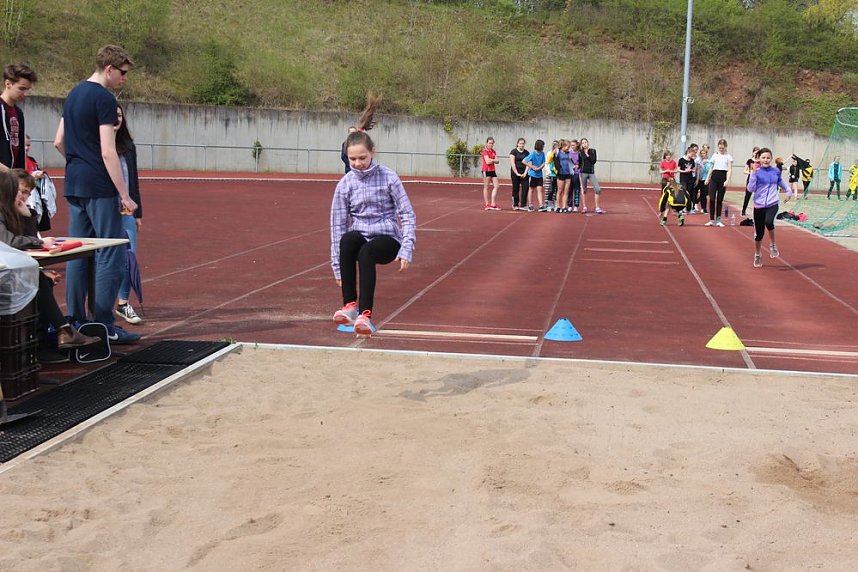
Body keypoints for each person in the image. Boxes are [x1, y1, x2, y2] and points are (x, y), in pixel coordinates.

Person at [53, 45, 140, 344]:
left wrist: (78, 162)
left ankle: (75, 320)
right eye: (123, 73)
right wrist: (125, 195)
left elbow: (58, 141)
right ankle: (104, 324)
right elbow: (107, 150)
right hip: (99, 186)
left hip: (74, 182)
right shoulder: (104, 98)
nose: (125, 79)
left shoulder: (73, 94)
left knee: (78, 252)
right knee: (109, 252)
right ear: (109, 69)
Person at [0, 170, 101, 349]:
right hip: (7, 272)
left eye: (27, 194)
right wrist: (39, 242)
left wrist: (28, 215)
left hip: (12, 269)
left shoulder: (12, 211)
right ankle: (61, 334)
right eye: (20, 192)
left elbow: (24, 241)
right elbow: (10, 242)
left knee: (42, 279)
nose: (23, 197)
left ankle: (49, 340)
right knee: (38, 279)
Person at [331, 131, 416, 337]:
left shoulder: (388, 176)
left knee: (366, 253)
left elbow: (406, 213)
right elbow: (337, 226)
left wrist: (407, 248)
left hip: (387, 238)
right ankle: (350, 305)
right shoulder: (345, 184)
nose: (358, 163)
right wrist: (337, 267)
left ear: (372, 153)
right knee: (348, 239)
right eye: (352, 159)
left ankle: (365, 315)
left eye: (362, 158)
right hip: (360, 234)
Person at [113, 104, 144, 325]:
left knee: (129, 255)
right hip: (103, 208)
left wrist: (138, 211)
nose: (117, 119)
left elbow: (134, 181)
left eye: (120, 115)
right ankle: (99, 304)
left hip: (126, 210)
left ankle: (123, 303)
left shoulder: (128, 147)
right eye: (113, 115)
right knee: (102, 258)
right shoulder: (95, 145)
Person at [746, 148, 792, 268]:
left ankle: (772, 245)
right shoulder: (756, 171)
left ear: (771, 159)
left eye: (768, 158)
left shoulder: (775, 171)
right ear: (759, 159)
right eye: (763, 157)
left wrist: (788, 191)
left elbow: (780, 182)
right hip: (759, 205)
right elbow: (750, 189)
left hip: (772, 203)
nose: (766, 160)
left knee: (769, 222)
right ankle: (757, 254)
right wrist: (753, 174)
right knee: (759, 234)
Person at [1, 64, 37, 172]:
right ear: (8, 84)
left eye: (28, 89)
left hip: (12, 180)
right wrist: (9, 172)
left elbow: (20, 150)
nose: (25, 93)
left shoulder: (18, 113)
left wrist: (21, 176)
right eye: (21, 89)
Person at [704, 138, 734, 227]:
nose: (721, 149)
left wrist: (727, 180)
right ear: (718, 147)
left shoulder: (728, 156)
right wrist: (707, 178)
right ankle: (711, 219)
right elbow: (711, 167)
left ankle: (718, 220)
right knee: (712, 199)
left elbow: (729, 169)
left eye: (723, 148)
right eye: (720, 148)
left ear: (725, 147)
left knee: (719, 200)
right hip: (714, 177)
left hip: (723, 177)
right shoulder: (714, 155)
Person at [579, 138, 605, 214]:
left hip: (591, 173)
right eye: (583, 143)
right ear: (581, 145)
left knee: (598, 189)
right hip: (583, 173)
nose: (584, 144)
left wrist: (588, 155)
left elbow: (593, 161)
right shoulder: (580, 152)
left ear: (588, 143)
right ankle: (584, 207)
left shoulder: (592, 151)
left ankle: (597, 208)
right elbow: (581, 161)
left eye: (585, 142)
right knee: (584, 190)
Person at [523, 139, 546, 212]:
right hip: (532, 175)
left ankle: (541, 205)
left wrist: (539, 168)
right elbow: (524, 161)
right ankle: (530, 204)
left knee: (540, 189)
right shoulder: (532, 154)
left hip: (539, 175)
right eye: (542, 146)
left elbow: (544, 163)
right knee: (531, 189)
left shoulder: (542, 154)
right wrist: (532, 167)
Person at [508, 138, 529, 211]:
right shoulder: (513, 152)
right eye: (520, 143)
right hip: (515, 173)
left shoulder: (526, 153)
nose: (522, 145)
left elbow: (528, 163)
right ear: (517, 144)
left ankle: (523, 204)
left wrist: (525, 173)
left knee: (525, 188)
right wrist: (517, 173)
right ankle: (515, 204)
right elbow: (513, 163)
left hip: (524, 173)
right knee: (515, 188)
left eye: (523, 143)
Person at [480, 137, 500, 210]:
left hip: (492, 170)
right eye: (489, 143)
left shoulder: (493, 151)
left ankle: (493, 203)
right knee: (486, 187)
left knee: (497, 186)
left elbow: (497, 161)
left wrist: (491, 160)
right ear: (486, 143)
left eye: (492, 143)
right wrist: (493, 159)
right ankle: (487, 204)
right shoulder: (485, 151)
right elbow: (487, 162)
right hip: (486, 171)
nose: (491, 144)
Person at [741, 146, 761, 217]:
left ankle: (756, 211)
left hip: (759, 180)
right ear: (753, 153)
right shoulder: (750, 161)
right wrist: (750, 173)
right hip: (750, 179)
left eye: (758, 153)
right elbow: (744, 170)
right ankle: (743, 210)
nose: (756, 154)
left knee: (758, 196)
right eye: (755, 153)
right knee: (747, 195)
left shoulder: (761, 161)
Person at [554, 139, 571, 213]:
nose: (568, 148)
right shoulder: (558, 152)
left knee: (566, 191)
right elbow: (554, 160)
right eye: (567, 146)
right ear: (563, 146)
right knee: (560, 190)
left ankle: (564, 206)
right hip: (561, 173)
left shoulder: (568, 153)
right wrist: (558, 169)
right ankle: (558, 206)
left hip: (568, 173)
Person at [695, 144, 711, 214]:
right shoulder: (698, 160)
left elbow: (710, 170)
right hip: (698, 178)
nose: (702, 154)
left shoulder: (709, 161)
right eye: (701, 153)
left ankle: (703, 208)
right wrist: (697, 179)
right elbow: (696, 169)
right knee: (694, 192)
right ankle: (693, 205)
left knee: (704, 194)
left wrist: (708, 178)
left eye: (703, 153)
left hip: (705, 179)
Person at [567, 139, 582, 212]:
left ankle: (576, 205)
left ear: (577, 145)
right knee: (569, 189)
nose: (572, 146)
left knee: (577, 190)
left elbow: (582, 163)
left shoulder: (580, 153)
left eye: (573, 145)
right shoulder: (568, 153)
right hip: (569, 174)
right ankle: (569, 205)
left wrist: (577, 166)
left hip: (577, 173)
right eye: (571, 145)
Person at [544, 140, 558, 211]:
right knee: (550, 189)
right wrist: (548, 172)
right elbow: (547, 162)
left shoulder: (559, 153)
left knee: (557, 190)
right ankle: (549, 204)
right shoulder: (549, 153)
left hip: (558, 174)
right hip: (551, 174)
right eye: (554, 145)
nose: (555, 147)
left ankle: (556, 204)